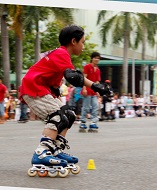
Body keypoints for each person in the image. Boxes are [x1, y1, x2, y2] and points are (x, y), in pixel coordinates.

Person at [19, 25, 111, 176]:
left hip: (42, 88)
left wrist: (96, 86)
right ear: (73, 41)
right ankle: (41, 153)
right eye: (82, 42)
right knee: (58, 116)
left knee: (69, 115)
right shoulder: (61, 53)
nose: (83, 46)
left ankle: (55, 150)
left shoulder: (61, 55)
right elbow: (74, 77)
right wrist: (96, 86)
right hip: (33, 87)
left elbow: (72, 75)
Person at [79, 52, 102, 132]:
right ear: (92, 58)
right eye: (95, 58)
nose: (97, 59)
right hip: (87, 90)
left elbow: (97, 81)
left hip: (93, 91)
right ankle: (83, 122)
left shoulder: (98, 69)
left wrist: (98, 91)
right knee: (86, 107)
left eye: (98, 58)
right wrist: (84, 88)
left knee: (95, 106)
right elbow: (83, 78)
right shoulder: (87, 67)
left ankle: (93, 122)